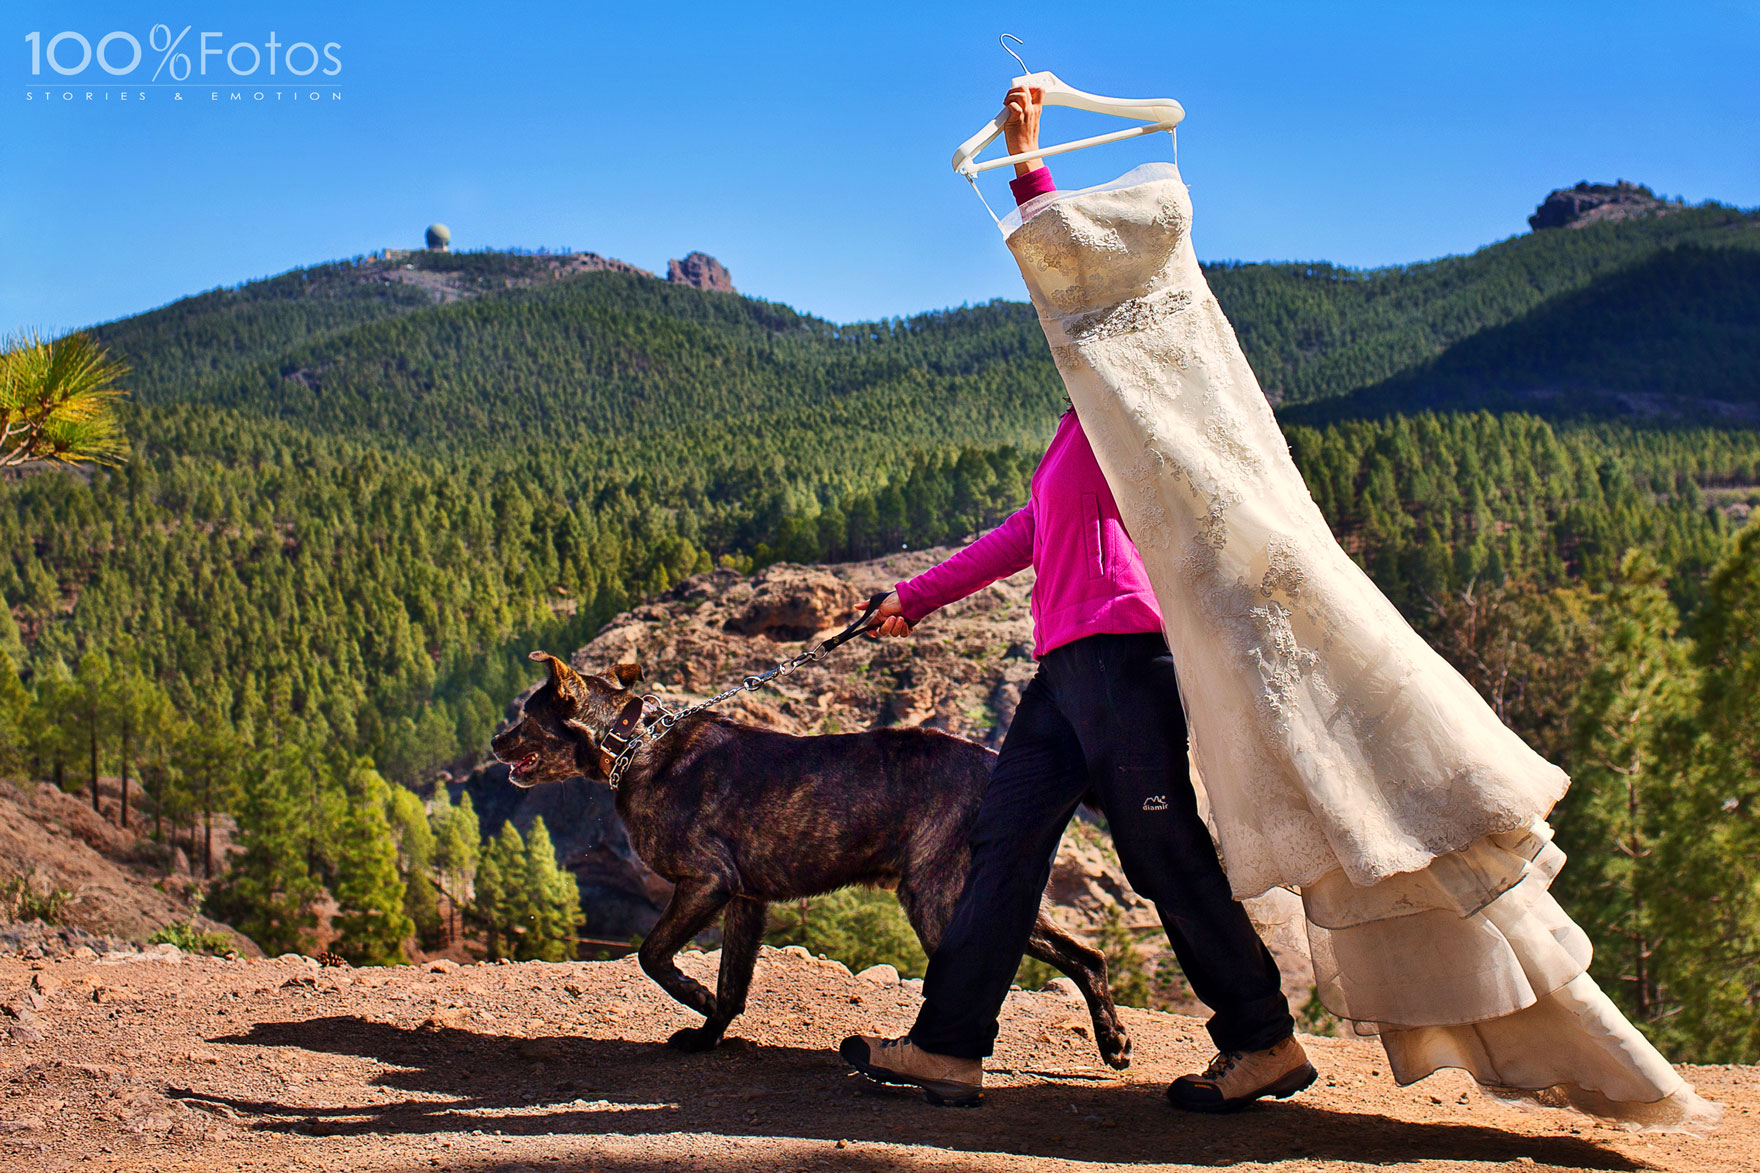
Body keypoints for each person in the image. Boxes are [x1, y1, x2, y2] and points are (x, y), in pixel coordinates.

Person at [837, 84, 1316, 1113]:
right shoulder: (1076, 427)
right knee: (1001, 845)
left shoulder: (1136, 405)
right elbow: (1025, 535)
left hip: (1123, 659)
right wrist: (910, 601)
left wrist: (1027, 166)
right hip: (1068, 672)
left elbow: (1078, 283)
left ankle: (1263, 1041)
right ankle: (948, 1048)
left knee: (1159, 851)